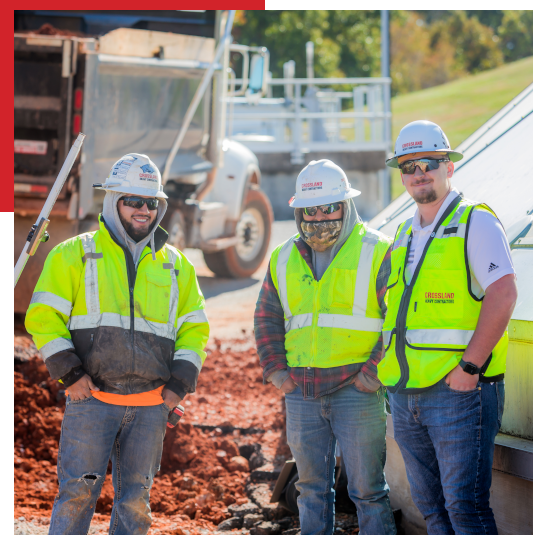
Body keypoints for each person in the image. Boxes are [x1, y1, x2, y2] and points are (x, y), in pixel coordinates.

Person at [25, 154, 209, 535]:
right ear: (112, 201)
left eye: (150, 202)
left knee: (135, 504)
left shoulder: (177, 265)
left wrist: (178, 387)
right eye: (133, 200)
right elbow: (43, 317)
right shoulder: (74, 254)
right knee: (76, 496)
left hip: (150, 407)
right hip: (91, 401)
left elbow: (195, 326)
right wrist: (70, 374)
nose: (143, 210)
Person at [378, 120, 517, 534]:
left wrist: (469, 369)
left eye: (429, 163)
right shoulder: (404, 233)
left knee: (465, 508)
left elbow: (504, 295)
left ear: (449, 166)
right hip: (407, 395)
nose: (419, 172)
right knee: (431, 509)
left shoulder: (476, 221)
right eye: (408, 166)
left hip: (459, 392)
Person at [254, 159, 397, 535]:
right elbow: (266, 317)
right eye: (310, 210)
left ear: (345, 206)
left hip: (358, 392)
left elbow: (396, 322)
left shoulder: (378, 250)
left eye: (329, 208)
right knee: (311, 489)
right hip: (301, 392)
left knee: (368, 491)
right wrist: (276, 372)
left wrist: (371, 376)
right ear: (299, 210)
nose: (319, 218)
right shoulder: (283, 256)